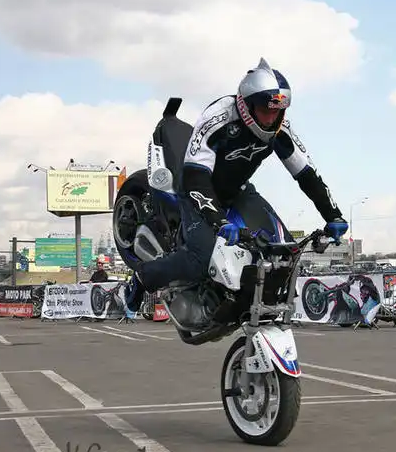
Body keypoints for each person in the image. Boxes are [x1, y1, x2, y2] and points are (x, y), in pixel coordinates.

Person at [123, 58, 349, 328]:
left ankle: (245, 306)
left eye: (277, 111)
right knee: (201, 257)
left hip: (238, 191)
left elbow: (307, 174)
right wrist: (218, 221)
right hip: (196, 190)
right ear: (246, 105)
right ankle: (143, 278)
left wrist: (333, 216)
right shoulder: (218, 118)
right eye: (265, 110)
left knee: (283, 251)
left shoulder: (281, 130)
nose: (271, 118)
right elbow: (196, 176)